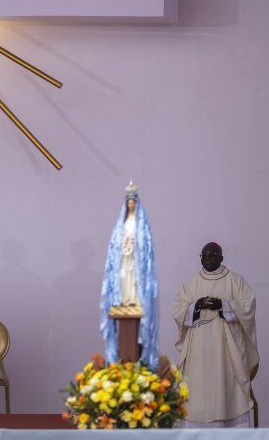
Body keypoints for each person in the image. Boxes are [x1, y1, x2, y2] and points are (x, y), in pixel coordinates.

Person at [172, 242, 258, 427]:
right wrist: (196, 306)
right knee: (197, 387)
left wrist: (223, 306)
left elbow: (248, 307)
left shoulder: (235, 281)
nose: (207, 259)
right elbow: (178, 309)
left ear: (221, 258)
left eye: (212, 255)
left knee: (226, 388)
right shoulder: (191, 283)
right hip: (197, 350)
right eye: (204, 256)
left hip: (226, 350)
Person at [99, 181, 159, 368]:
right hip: (124, 258)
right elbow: (115, 247)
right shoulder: (122, 223)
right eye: (129, 203)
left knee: (134, 281)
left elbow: (146, 247)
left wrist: (136, 249)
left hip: (135, 259)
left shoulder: (141, 224)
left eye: (133, 203)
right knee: (124, 278)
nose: (131, 205)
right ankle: (124, 300)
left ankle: (134, 300)